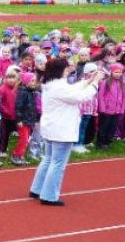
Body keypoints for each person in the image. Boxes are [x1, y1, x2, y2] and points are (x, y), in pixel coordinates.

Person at [30, 59, 100, 206]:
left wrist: (88, 80)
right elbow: (80, 97)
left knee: (48, 159)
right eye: (66, 67)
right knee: (58, 163)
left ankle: (37, 189)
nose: (68, 69)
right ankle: (49, 196)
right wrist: (95, 83)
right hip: (61, 129)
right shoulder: (59, 87)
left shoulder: (51, 84)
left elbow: (72, 89)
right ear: (60, 70)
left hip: (52, 127)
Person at [96, 63, 124, 149]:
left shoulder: (122, 84)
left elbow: (123, 97)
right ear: (111, 72)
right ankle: (100, 143)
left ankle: (108, 142)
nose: (118, 74)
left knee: (112, 127)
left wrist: (122, 109)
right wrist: (102, 108)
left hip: (117, 111)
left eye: (120, 72)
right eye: (116, 72)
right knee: (103, 127)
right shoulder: (105, 83)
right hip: (106, 111)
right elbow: (100, 96)